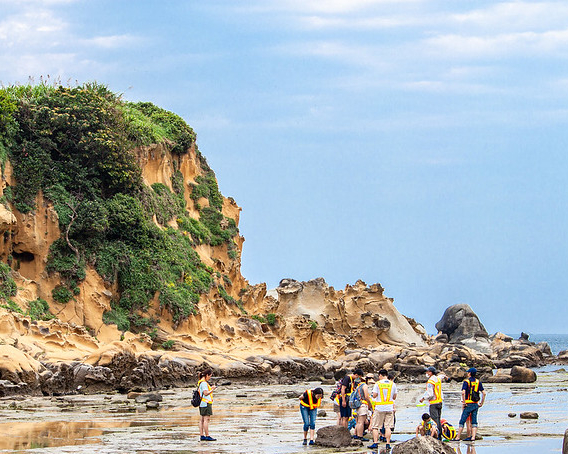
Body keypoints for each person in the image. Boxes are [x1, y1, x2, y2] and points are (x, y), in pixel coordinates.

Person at [368, 369, 397, 450]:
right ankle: (387, 443)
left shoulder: (378, 384)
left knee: (375, 426)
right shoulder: (392, 384)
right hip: (389, 407)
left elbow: (374, 395)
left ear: (380, 375)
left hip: (379, 407)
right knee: (388, 427)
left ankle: (375, 442)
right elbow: (394, 397)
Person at [457, 368, 486, 442]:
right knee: (474, 421)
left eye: (468, 372)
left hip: (468, 403)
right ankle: (473, 437)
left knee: (462, 421)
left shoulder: (466, 382)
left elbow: (463, 392)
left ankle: (458, 437)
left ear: (469, 373)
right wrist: (481, 403)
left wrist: (464, 402)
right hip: (475, 404)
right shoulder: (478, 382)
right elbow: (484, 393)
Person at [419, 366, 443, 439]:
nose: (426, 373)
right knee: (438, 419)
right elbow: (441, 377)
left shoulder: (430, 381)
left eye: (427, 371)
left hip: (434, 403)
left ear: (430, 372)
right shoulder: (437, 379)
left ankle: (436, 436)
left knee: (434, 421)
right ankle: (440, 434)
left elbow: (430, 393)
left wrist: (423, 398)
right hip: (440, 402)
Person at [197, 369, 217, 441]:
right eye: (210, 376)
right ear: (207, 375)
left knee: (202, 419)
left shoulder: (200, 383)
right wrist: (212, 389)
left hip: (202, 403)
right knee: (206, 419)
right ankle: (207, 435)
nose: (209, 378)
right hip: (206, 403)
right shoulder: (204, 383)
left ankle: (202, 435)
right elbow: (205, 393)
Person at [352, 374, 372, 441]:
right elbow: (366, 396)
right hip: (363, 405)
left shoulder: (358, 386)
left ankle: (356, 434)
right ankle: (360, 436)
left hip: (358, 405)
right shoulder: (365, 386)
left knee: (358, 421)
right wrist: (369, 404)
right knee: (361, 422)